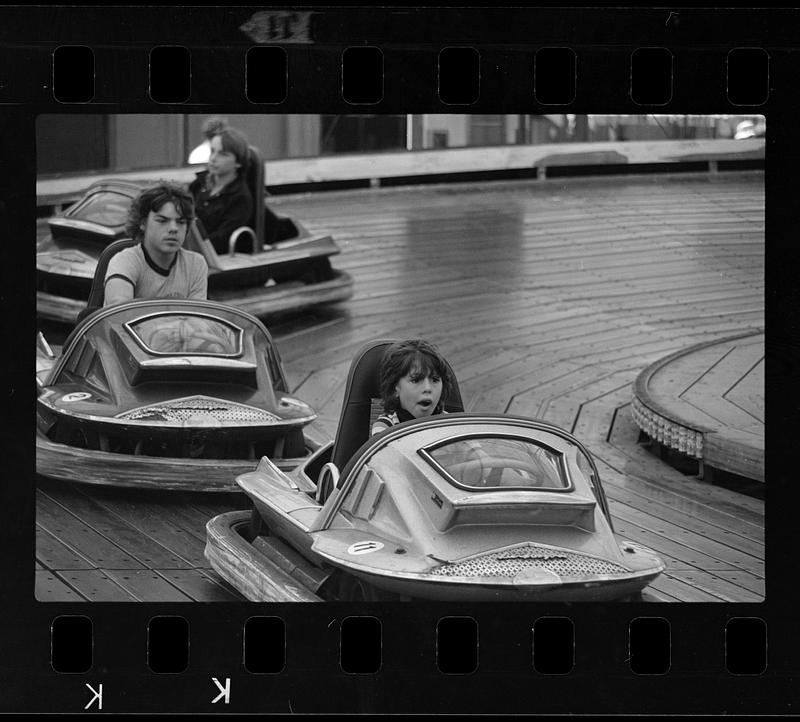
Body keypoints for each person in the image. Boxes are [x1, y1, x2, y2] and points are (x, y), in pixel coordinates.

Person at [104, 182, 208, 306]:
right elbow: (119, 314)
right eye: (162, 221)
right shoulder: (125, 261)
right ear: (142, 223)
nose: (173, 228)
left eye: (181, 222)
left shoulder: (196, 264)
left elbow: (197, 320)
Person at [189, 127, 254, 255]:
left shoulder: (240, 198)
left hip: (212, 258)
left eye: (222, 154)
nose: (213, 158)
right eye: (212, 151)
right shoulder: (198, 184)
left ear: (238, 162)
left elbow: (221, 242)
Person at [371, 339, 454, 435]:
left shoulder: (451, 424)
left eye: (435, 380)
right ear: (395, 387)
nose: (427, 388)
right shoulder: (384, 428)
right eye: (416, 380)